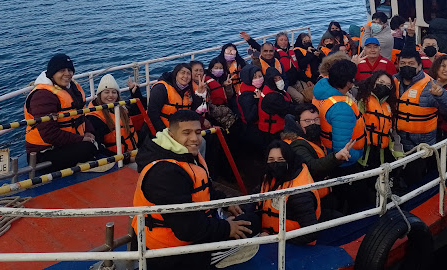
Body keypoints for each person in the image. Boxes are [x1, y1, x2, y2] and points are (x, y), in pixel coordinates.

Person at [132, 110, 255, 270]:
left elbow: (202, 190)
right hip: (171, 253)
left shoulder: (184, 155)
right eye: (186, 133)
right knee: (252, 225)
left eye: (198, 132)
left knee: (246, 217)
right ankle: (213, 260)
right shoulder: (165, 173)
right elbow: (187, 229)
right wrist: (226, 228)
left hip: (191, 230)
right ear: (171, 134)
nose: (194, 139)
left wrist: (225, 203)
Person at [24, 54, 97, 170]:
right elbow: (49, 134)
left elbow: (81, 114)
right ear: (52, 74)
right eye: (62, 70)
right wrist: (81, 139)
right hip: (44, 152)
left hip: (69, 142)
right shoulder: (43, 96)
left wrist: (89, 131)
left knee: (96, 133)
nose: (67, 74)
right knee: (88, 149)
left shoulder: (72, 87)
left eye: (70, 70)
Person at [313, 59, 368, 212]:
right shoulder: (341, 108)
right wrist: (358, 154)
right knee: (355, 199)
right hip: (344, 165)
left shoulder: (321, 91)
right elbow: (342, 150)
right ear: (349, 83)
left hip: (325, 152)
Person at [395, 49, 447, 150]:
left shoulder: (430, 86)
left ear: (419, 66)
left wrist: (441, 95)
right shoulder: (391, 82)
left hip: (421, 146)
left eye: (411, 63)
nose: (407, 66)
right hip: (396, 143)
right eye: (403, 63)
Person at [258, 140, 320, 245]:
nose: (276, 164)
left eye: (281, 160)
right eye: (271, 160)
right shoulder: (270, 179)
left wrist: (274, 239)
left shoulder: (299, 193)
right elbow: (254, 200)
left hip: (294, 246)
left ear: (289, 161)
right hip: (269, 237)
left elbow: (311, 233)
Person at [280, 104, 353, 189]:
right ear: (298, 123)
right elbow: (311, 167)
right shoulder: (296, 144)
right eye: (307, 121)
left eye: (316, 119)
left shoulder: (315, 138)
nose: (313, 123)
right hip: (312, 193)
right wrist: (335, 157)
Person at [86, 74, 139, 156]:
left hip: (134, 150)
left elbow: (138, 110)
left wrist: (135, 92)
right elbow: (98, 148)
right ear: (100, 94)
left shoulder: (121, 107)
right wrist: (124, 159)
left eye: (114, 92)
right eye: (106, 92)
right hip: (117, 159)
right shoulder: (94, 118)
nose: (110, 95)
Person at [354, 71, 397, 168]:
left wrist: (396, 153)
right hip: (363, 152)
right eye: (381, 82)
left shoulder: (388, 105)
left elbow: (391, 132)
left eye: (387, 85)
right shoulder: (362, 99)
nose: (383, 86)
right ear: (373, 82)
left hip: (382, 153)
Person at [147, 63, 204, 133]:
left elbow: (194, 112)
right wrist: (165, 133)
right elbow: (152, 113)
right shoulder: (161, 88)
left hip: (182, 131)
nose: (185, 76)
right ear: (176, 74)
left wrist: (199, 95)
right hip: (160, 131)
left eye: (188, 74)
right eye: (182, 73)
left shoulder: (190, 90)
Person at [258, 67, 295, 142]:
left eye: (280, 78)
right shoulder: (271, 97)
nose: (279, 81)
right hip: (273, 133)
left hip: (281, 125)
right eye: (275, 79)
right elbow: (287, 109)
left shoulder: (275, 89)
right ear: (270, 81)